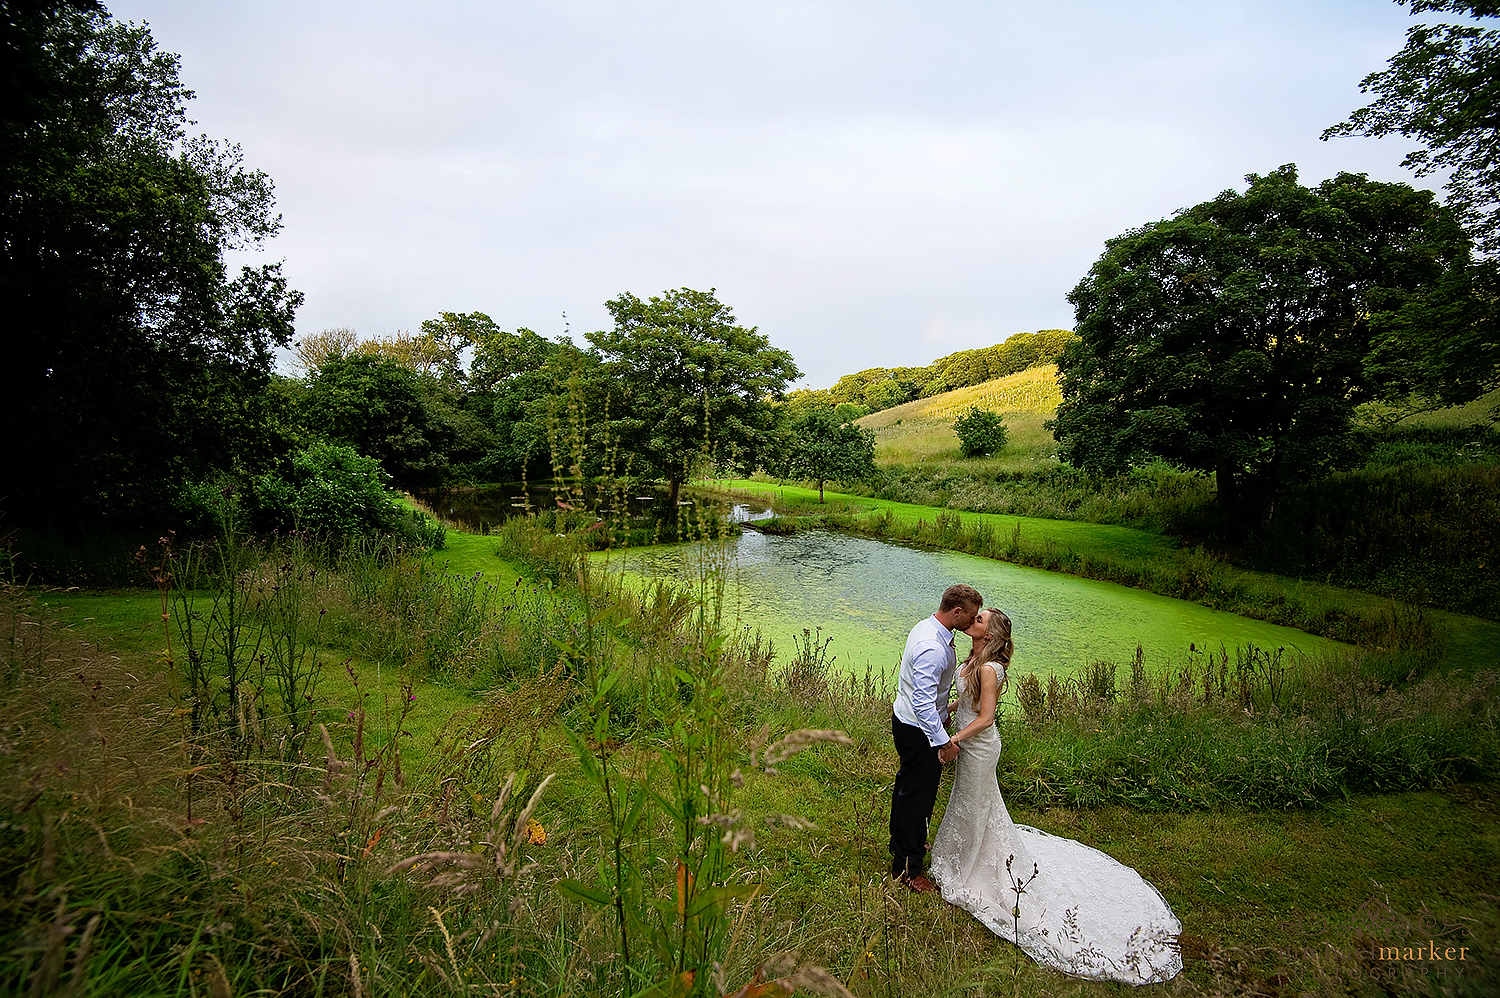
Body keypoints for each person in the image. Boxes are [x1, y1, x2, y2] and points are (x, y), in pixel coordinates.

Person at [929, 609, 1183, 985]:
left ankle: (977, 863)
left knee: (977, 802)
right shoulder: (972, 659)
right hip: (968, 741)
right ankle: (964, 851)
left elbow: (985, 717)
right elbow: (967, 705)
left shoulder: (989, 669)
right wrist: (947, 711)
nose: (973, 619)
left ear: (992, 632)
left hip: (979, 747)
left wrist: (954, 740)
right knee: (970, 802)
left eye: (980, 618)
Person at [889, 583, 981, 891]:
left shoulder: (928, 627)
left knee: (908, 788)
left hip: (908, 722)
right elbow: (922, 702)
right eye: (971, 616)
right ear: (956, 612)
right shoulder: (933, 646)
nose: (973, 622)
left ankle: (903, 846)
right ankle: (908, 870)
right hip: (918, 731)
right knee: (918, 797)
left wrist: (947, 708)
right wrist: (943, 741)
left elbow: (929, 696)